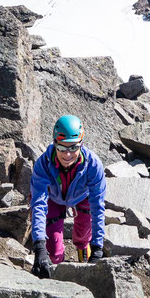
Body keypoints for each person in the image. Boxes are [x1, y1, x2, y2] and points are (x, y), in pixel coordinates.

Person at [30, 114, 106, 278]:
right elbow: (38, 205)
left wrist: (98, 248)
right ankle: (56, 274)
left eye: (73, 147)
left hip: (82, 198)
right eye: (62, 147)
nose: (68, 154)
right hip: (54, 199)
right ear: (54, 143)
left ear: (81, 144)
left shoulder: (93, 165)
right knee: (53, 252)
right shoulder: (42, 165)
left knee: (83, 234)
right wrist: (39, 246)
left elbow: (98, 207)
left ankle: (82, 251)